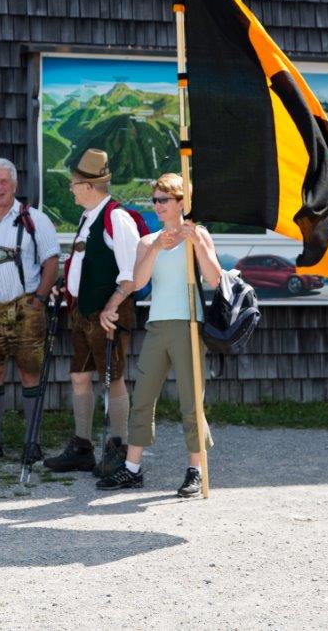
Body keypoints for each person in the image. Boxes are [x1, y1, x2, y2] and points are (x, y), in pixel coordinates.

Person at [95, 173, 222, 496]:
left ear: (181, 202)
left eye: (163, 200)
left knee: (192, 401)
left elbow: (214, 279)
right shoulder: (147, 241)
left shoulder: (199, 234)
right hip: (157, 325)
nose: (157, 206)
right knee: (143, 397)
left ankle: (196, 468)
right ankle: (133, 468)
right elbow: (138, 283)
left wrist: (196, 244)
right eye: (154, 200)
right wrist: (154, 249)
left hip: (188, 324)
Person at [43, 148, 139, 477]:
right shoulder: (89, 216)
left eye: (73, 183)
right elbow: (84, 263)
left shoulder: (116, 218)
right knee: (80, 376)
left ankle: (119, 448)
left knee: (112, 379)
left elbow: (132, 273)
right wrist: (64, 285)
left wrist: (111, 307)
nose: (70, 188)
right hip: (82, 313)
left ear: (88, 185)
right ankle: (83, 446)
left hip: (107, 315)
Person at [0, 158, 60, 462]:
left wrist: (39, 300)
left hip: (26, 306)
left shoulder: (35, 219)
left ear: (15, 185)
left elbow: (52, 261)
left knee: (30, 372)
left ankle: (32, 442)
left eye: (4, 182)